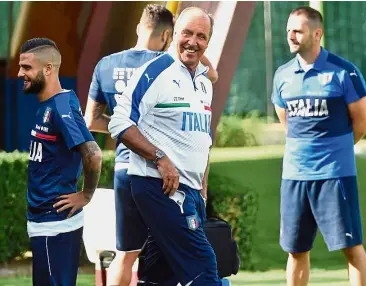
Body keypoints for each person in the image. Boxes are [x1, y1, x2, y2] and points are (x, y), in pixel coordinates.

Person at [85, 4, 218, 286]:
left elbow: (203, 138)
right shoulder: (156, 70)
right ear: (172, 35)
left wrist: (203, 184)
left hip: (191, 190)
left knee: (160, 275)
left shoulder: (204, 83)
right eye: (187, 33)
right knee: (204, 267)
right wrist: (160, 157)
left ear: (209, 41)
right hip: (160, 185)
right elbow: (119, 122)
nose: (193, 41)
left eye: (201, 36)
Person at [272, 6, 366, 286]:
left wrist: (334, 152)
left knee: (352, 248)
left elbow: (360, 123)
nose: (291, 35)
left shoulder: (344, 72)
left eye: (297, 30)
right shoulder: (282, 75)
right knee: (296, 250)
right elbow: (286, 122)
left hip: (335, 175)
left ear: (317, 33)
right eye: (289, 30)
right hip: (294, 176)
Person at [18, 38, 102, 286]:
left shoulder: (61, 106)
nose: (20, 73)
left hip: (54, 226)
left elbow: (93, 154)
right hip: (45, 225)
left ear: (48, 68)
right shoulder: (50, 104)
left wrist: (86, 195)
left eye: (26, 67)